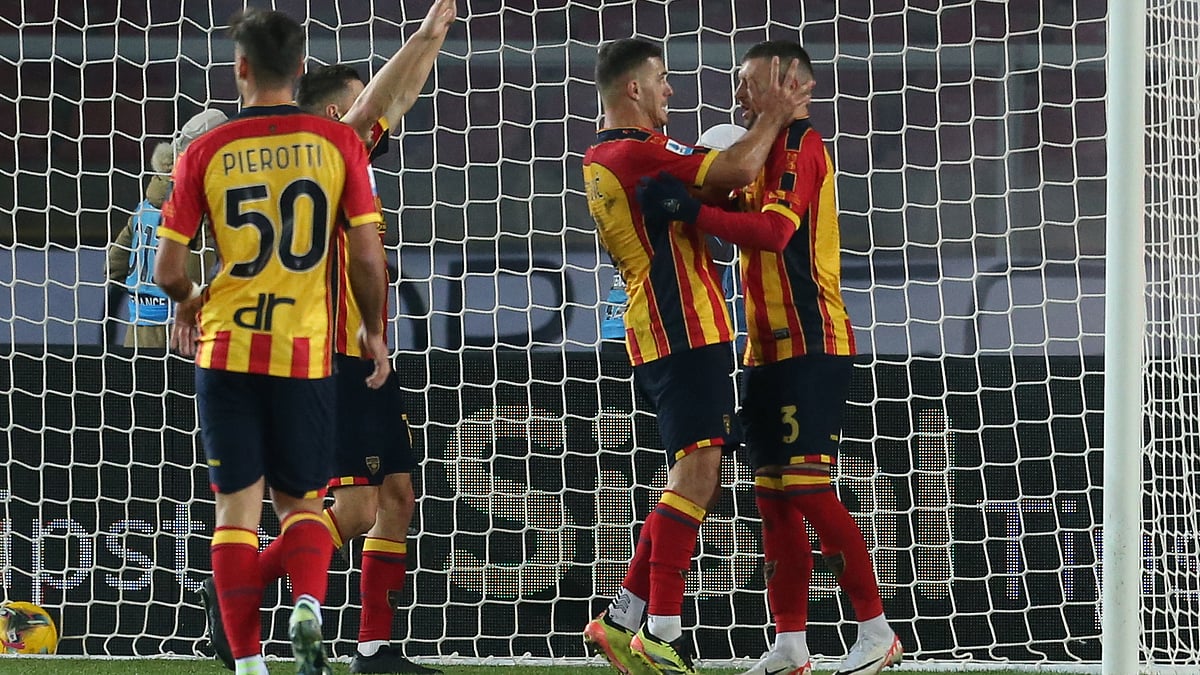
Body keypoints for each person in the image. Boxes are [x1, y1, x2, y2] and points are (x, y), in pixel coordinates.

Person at [196, 3, 456, 673]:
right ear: (326, 113)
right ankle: (244, 589)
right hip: (331, 352)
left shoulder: (342, 157)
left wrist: (431, 46)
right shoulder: (320, 150)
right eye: (350, 111)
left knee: (397, 496)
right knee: (359, 505)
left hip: (367, 351)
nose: (370, 123)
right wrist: (424, 35)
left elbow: (394, 96)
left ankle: (373, 649)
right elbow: (379, 100)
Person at [636, 40, 903, 675]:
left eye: (748, 83)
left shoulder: (801, 148)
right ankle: (790, 644)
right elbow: (734, 214)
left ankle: (876, 631)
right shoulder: (756, 151)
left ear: (790, 87)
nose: (737, 95)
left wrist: (697, 211)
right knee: (773, 501)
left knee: (808, 489)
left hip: (812, 343)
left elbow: (778, 233)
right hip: (762, 350)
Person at [153, 8, 390, 675]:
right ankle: (307, 606)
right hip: (305, 349)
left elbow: (167, 270)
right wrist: (373, 331)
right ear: (302, 69)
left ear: (241, 67)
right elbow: (367, 257)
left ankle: (251, 664)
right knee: (304, 505)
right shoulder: (337, 143)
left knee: (236, 507)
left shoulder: (206, 148)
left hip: (227, 347)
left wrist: (192, 302)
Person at [580, 37, 810, 675]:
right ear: (633, 89)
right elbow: (734, 170)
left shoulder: (607, 157)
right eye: (661, 80)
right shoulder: (639, 153)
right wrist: (776, 112)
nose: (669, 91)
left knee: (693, 476)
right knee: (697, 476)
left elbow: (702, 199)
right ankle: (663, 632)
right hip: (684, 328)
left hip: (661, 328)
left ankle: (623, 619)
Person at [106, 133, 214, 349]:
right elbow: (201, 269)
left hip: (139, 332)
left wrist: (145, 298)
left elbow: (113, 265)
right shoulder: (199, 210)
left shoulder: (143, 208)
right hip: (185, 332)